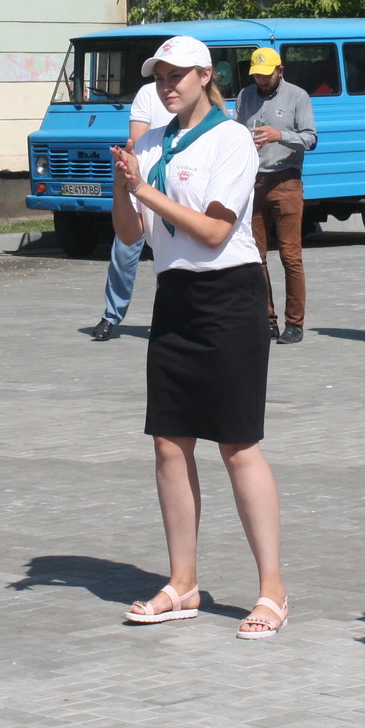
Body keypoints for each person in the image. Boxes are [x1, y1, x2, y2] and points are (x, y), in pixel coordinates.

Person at [110, 35, 289, 639]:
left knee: (237, 444)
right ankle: (182, 582)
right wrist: (124, 183)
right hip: (175, 296)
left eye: (177, 75)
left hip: (230, 296)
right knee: (169, 442)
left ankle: (272, 591)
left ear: (205, 75)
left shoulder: (230, 137)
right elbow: (130, 233)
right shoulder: (152, 143)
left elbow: (214, 231)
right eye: (159, 76)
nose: (167, 86)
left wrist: (146, 189)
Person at [233, 46, 316, 344]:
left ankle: (295, 323)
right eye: (257, 75)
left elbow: (310, 139)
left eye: (266, 75)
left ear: (280, 71)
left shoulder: (297, 96)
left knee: (290, 256)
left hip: (286, 181)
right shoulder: (245, 96)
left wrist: (279, 135)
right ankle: (266, 321)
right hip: (253, 182)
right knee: (255, 257)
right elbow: (235, 133)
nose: (261, 80)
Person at [88, 76, 175, 341]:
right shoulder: (148, 93)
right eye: (162, 75)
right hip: (144, 182)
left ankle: (168, 317)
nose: (168, 84)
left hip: (176, 186)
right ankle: (111, 315)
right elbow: (138, 141)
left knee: (171, 256)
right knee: (124, 251)